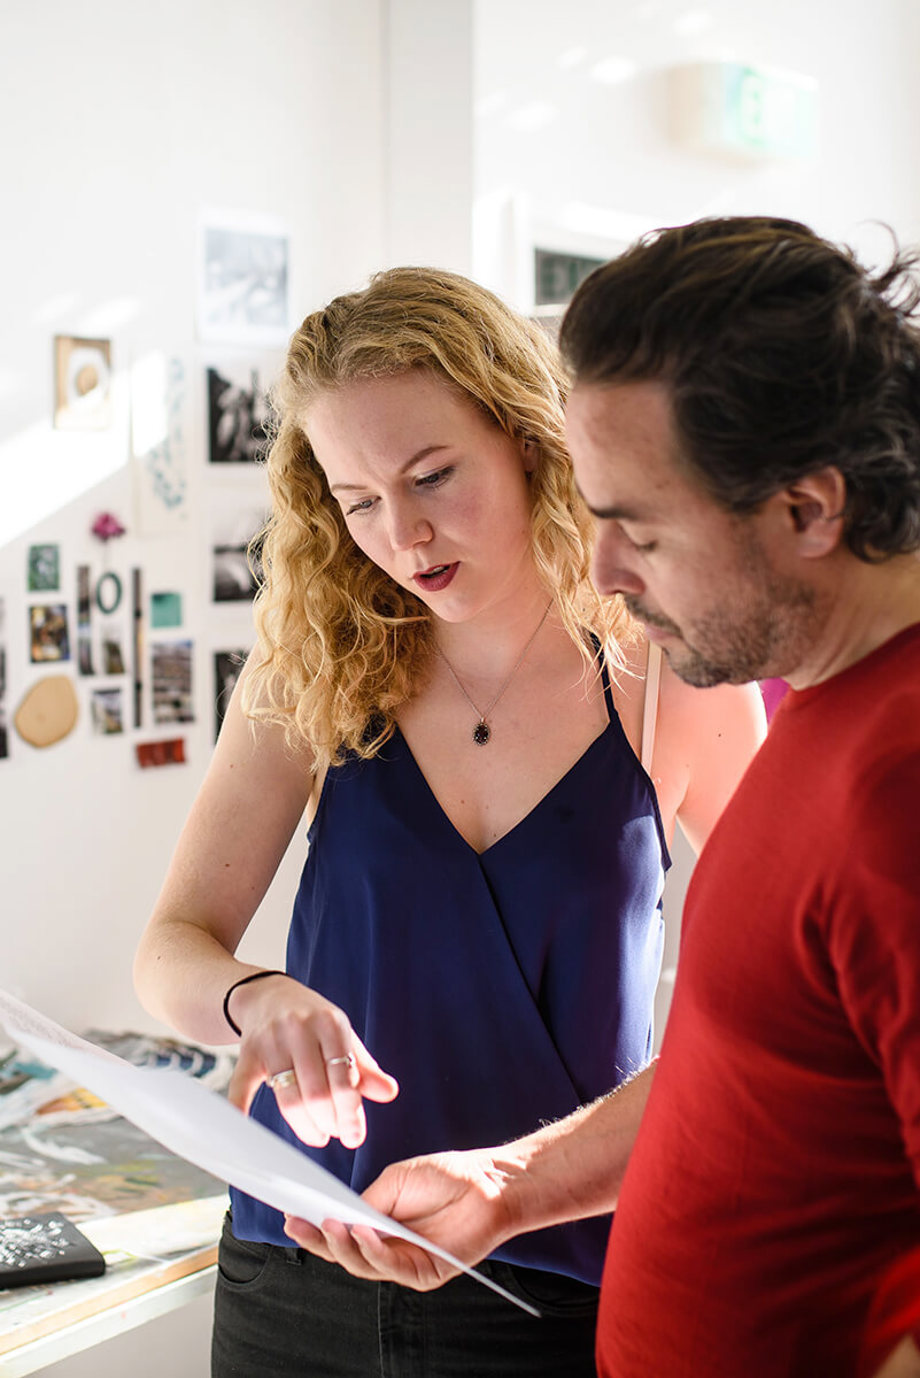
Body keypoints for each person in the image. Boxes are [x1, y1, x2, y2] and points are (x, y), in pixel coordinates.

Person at [285, 219, 920, 1378]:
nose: (605, 568)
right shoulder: (823, 724)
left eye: (640, 526)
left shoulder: (898, 784)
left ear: (810, 511)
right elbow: (743, 1076)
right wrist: (507, 1182)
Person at [134, 264, 764, 1377]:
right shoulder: (316, 666)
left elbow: (785, 985)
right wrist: (253, 997)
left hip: (559, 1272)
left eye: (432, 475)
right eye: (359, 500)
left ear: (529, 439)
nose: (403, 535)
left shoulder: (670, 669)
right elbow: (169, 949)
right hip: (300, 1259)